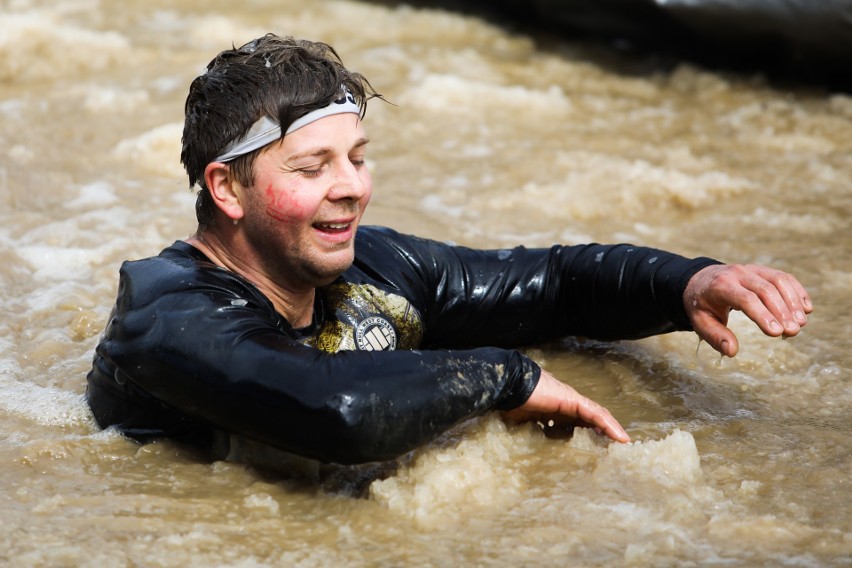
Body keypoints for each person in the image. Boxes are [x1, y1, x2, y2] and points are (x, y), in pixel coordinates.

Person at [86, 34, 813, 466]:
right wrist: (505, 378)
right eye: (313, 168)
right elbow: (334, 410)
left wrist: (686, 285)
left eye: (358, 158)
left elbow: (550, 284)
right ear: (228, 190)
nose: (352, 189)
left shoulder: (372, 266)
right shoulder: (167, 315)